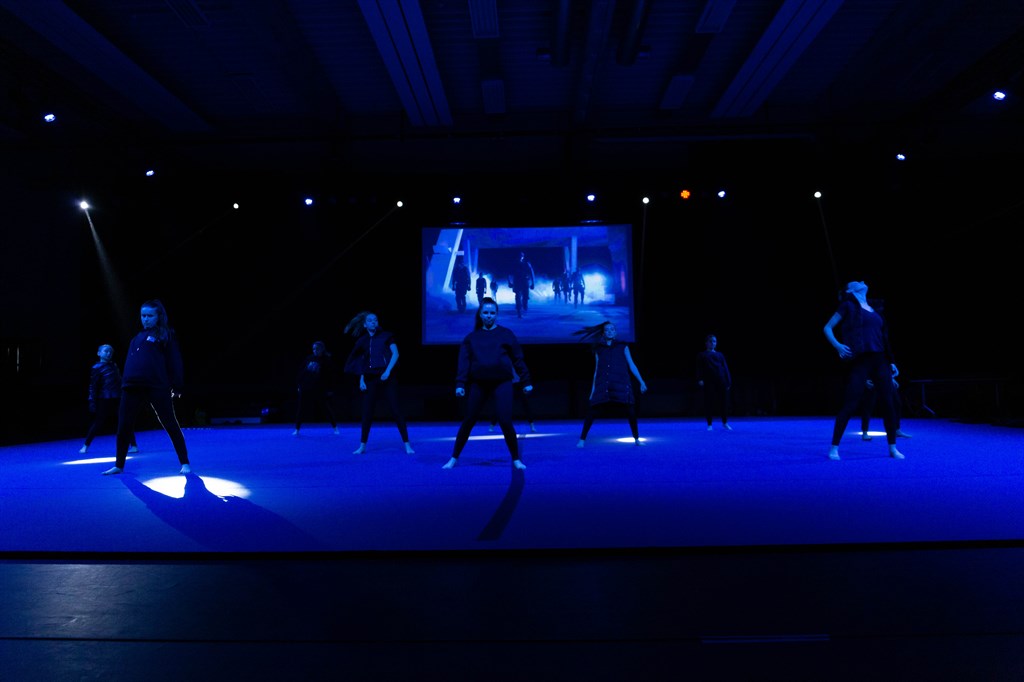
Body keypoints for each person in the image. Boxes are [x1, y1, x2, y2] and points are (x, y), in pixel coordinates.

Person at [102, 299, 191, 475]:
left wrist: (177, 385)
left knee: (170, 423)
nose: (146, 319)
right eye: (143, 315)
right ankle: (119, 465)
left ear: (159, 316)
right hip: (131, 386)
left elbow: (175, 360)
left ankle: (185, 463)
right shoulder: (137, 338)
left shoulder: (166, 335)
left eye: (150, 315)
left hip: (156, 385)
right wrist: (124, 383)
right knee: (123, 426)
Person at [443, 298, 532, 470]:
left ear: (496, 314)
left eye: (492, 313)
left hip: (502, 383)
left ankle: (516, 459)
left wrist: (526, 380)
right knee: (469, 420)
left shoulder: (506, 334)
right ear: (480, 314)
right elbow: (464, 363)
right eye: (485, 312)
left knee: (505, 421)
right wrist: (460, 384)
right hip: (479, 384)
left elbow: (518, 359)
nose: (489, 316)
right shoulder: (471, 338)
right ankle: (453, 458)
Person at [823, 281, 905, 461]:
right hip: (861, 360)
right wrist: (838, 346)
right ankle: (834, 448)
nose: (863, 282)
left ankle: (893, 448)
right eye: (857, 282)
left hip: (880, 360)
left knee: (888, 403)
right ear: (851, 290)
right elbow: (827, 327)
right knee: (850, 404)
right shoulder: (848, 306)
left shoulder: (875, 311)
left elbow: (883, 338)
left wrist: (891, 361)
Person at [343, 311, 414, 454]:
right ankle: (362, 446)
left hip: (387, 377)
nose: (373, 322)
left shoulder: (386, 336)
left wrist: (387, 371)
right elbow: (362, 361)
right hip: (370, 378)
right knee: (367, 412)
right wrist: (361, 379)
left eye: (375, 320)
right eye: (370, 320)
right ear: (365, 324)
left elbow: (396, 353)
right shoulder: (362, 341)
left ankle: (407, 444)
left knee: (396, 410)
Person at [574, 321, 647, 447]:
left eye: (612, 329)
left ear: (615, 332)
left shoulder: (623, 346)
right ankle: (582, 440)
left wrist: (641, 381)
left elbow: (631, 364)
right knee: (592, 412)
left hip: (621, 384)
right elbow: (597, 370)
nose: (610, 331)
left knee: (631, 412)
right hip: (604, 384)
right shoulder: (598, 349)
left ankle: (636, 439)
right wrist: (593, 391)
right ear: (603, 333)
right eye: (607, 330)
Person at [79, 344, 137, 454]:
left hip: (117, 397)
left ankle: (134, 445)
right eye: (106, 351)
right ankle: (85, 445)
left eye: (110, 352)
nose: (109, 353)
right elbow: (93, 386)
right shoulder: (96, 368)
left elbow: (120, 381)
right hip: (104, 398)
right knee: (98, 422)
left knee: (124, 421)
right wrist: (92, 401)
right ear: (99, 353)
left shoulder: (114, 366)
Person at [292, 341, 339, 436]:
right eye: (313, 349)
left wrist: (330, 389)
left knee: (326, 408)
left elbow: (331, 376)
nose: (315, 350)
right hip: (306, 386)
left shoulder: (326, 360)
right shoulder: (309, 358)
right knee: (301, 408)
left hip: (319, 387)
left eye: (317, 348)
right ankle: (297, 429)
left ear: (322, 349)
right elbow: (301, 372)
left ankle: (335, 428)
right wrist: (299, 385)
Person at [696, 334, 733, 431]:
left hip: (721, 380)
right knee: (709, 402)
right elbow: (699, 368)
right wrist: (700, 379)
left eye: (714, 341)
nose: (713, 343)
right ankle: (709, 424)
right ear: (706, 343)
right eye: (711, 341)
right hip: (709, 381)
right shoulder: (702, 355)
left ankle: (725, 422)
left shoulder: (720, 355)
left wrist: (728, 381)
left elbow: (725, 367)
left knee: (724, 402)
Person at [488, 369, 536, 434]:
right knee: (501, 404)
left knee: (525, 404)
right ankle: (492, 425)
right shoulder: (505, 364)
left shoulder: (518, 364)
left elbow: (524, 373)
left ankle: (532, 425)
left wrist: (527, 384)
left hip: (519, 385)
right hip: (508, 384)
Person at [508, 251, 535, 318]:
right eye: (519, 256)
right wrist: (509, 282)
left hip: (525, 282)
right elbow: (509, 273)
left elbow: (532, 273)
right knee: (518, 297)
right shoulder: (514, 264)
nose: (520, 257)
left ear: (523, 256)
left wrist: (533, 283)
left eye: (521, 256)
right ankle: (519, 312)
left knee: (525, 297)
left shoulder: (527, 263)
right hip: (517, 282)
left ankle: (524, 306)